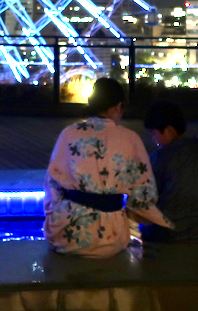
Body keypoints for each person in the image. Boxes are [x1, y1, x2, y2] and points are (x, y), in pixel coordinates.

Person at [44, 78, 171, 257]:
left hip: (67, 234)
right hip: (110, 237)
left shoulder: (69, 133)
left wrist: (54, 214)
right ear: (118, 107)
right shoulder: (130, 139)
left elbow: (53, 183)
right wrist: (132, 221)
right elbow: (144, 195)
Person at [140, 100, 198, 243]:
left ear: (169, 130)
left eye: (153, 134)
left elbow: (145, 198)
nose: (153, 140)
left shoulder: (160, 158)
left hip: (167, 233)